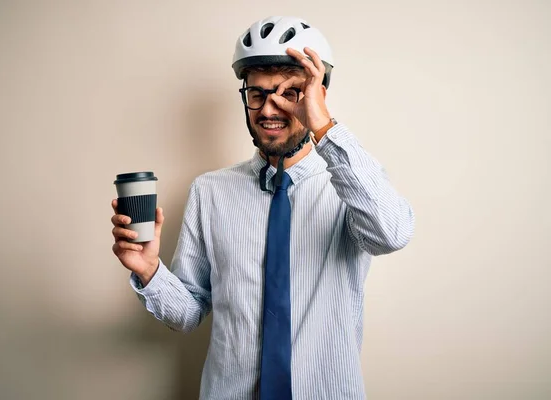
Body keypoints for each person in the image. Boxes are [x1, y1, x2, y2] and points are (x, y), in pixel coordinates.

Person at [111, 16, 415, 400]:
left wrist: (324, 127)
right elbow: (188, 313)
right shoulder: (210, 192)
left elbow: (392, 233)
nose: (269, 109)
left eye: (288, 93)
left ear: (315, 96)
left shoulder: (352, 184)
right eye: (257, 94)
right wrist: (150, 270)